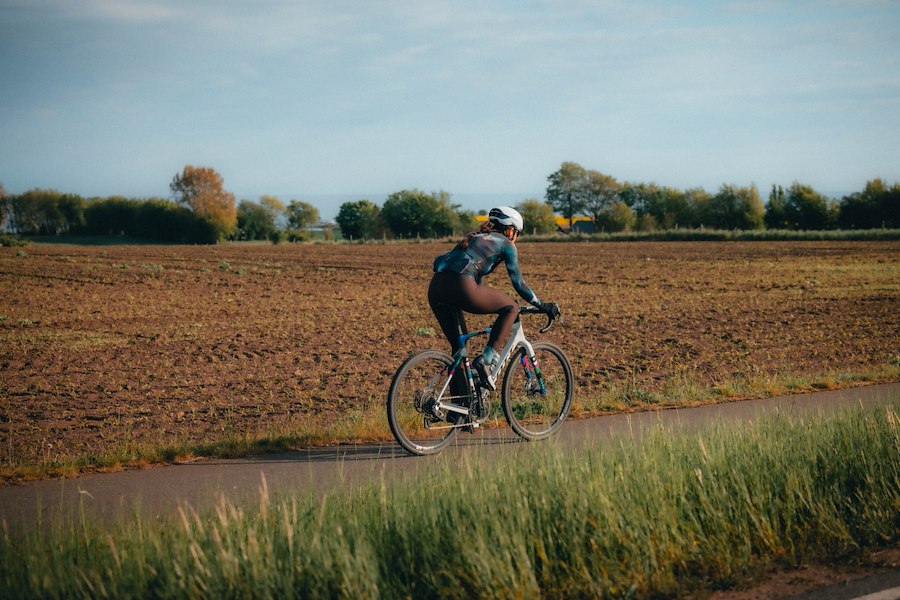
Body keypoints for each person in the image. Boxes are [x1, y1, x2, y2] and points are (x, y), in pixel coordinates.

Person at [429, 206, 560, 391]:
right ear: (510, 229)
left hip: (436, 288)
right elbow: (519, 284)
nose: (516, 237)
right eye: (517, 233)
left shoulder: (474, 237)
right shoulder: (506, 244)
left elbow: (472, 278)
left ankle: (459, 411)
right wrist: (542, 305)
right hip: (462, 286)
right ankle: (486, 360)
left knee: (460, 350)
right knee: (511, 307)